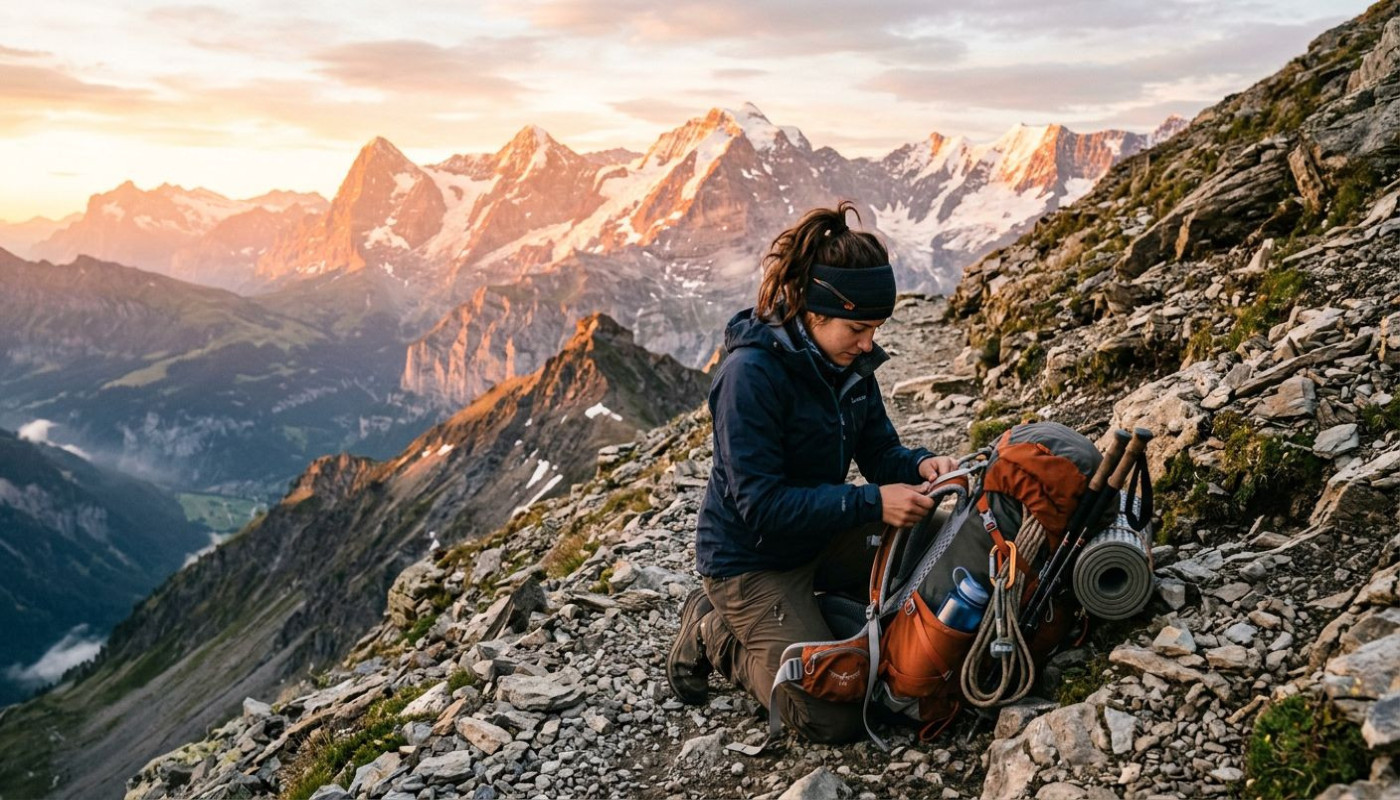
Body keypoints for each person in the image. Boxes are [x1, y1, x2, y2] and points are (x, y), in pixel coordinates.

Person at [667, 201, 957, 743]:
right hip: (751, 561)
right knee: (833, 715)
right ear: (814, 311)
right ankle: (714, 633)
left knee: (940, 542)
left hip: (818, 536)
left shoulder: (848, 364)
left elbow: (880, 453)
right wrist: (872, 503)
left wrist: (919, 464)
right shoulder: (749, 376)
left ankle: (816, 617)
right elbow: (762, 506)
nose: (869, 342)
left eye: (876, 328)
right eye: (858, 327)